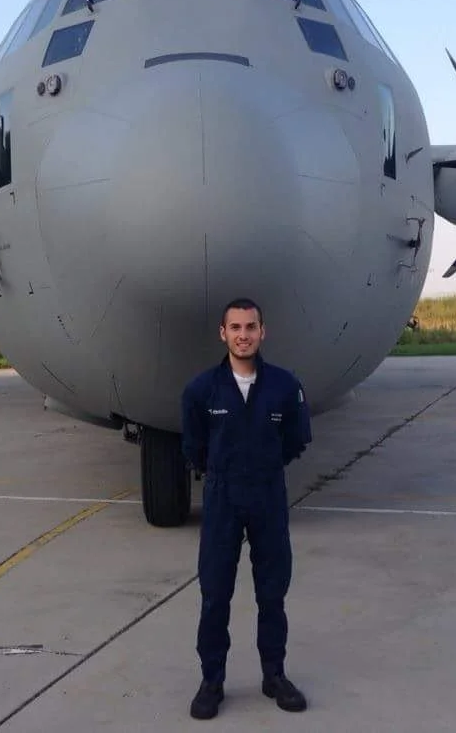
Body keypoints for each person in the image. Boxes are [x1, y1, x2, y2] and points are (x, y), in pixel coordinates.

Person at [180, 297, 312, 720]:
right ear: (223, 333)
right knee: (215, 592)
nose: (243, 335)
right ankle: (211, 681)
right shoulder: (201, 390)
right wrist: (224, 473)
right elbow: (193, 448)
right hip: (221, 496)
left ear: (262, 331)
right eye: (235, 328)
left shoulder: (284, 386)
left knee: (272, 592)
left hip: (268, 494)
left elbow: (295, 440)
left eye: (250, 327)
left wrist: (263, 468)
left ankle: (274, 675)